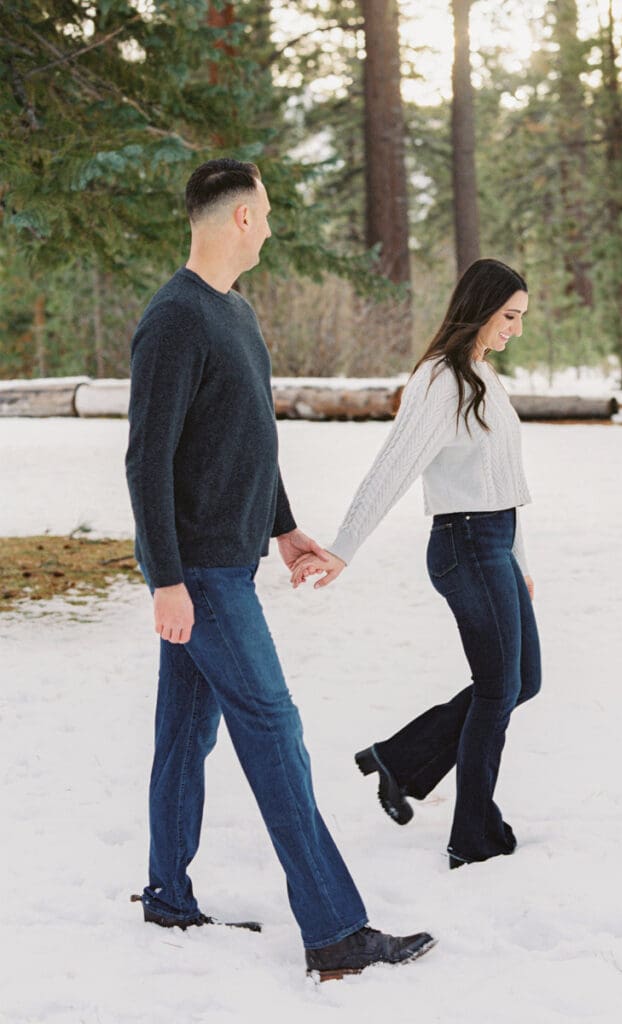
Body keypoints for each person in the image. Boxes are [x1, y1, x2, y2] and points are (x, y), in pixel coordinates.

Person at [124, 158, 434, 980]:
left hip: (229, 562)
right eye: (266, 211)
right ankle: (335, 933)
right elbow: (146, 463)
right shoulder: (174, 320)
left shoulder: (237, 313)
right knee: (276, 733)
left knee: (183, 736)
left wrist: (286, 528)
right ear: (238, 219)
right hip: (201, 576)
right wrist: (166, 580)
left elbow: (248, 435)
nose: (272, 223)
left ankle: (167, 895)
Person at [291, 258, 542, 869]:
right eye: (509, 316)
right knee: (498, 689)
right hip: (464, 545)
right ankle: (472, 833)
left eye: (520, 318)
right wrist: (344, 547)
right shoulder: (441, 379)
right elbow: (394, 467)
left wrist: (521, 557)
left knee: (521, 680)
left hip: (494, 544)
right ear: (479, 308)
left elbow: (505, 480)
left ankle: (401, 760)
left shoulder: (484, 375)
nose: (515, 328)